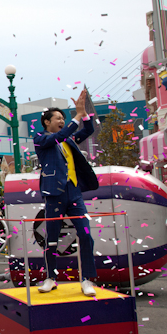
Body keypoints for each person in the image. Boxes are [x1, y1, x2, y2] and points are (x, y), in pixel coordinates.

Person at [33, 89, 99, 297]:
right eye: (58, 118)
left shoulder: (68, 140)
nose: (62, 121)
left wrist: (84, 113)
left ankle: (87, 279)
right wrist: (75, 116)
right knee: (51, 237)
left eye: (63, 118)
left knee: (85, 234)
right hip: (54, 193)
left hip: (74, 191)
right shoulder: (41, 140)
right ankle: (50, 278)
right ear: (46, 122)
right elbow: (60, 136)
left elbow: (87, 130)